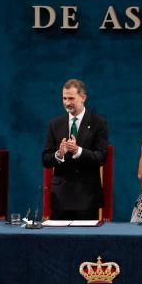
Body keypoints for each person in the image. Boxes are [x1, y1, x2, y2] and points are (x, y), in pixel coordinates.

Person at [41, 79, 109, 220]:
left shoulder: (98, 123)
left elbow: (101, 157)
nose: (67, 103)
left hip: (86, 197)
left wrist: (78, 151)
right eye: (64, 98)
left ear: (83, 98)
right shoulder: (55, 124)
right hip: (60, 198)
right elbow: (45, 159)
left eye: (71, 98)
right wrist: (58, 154)